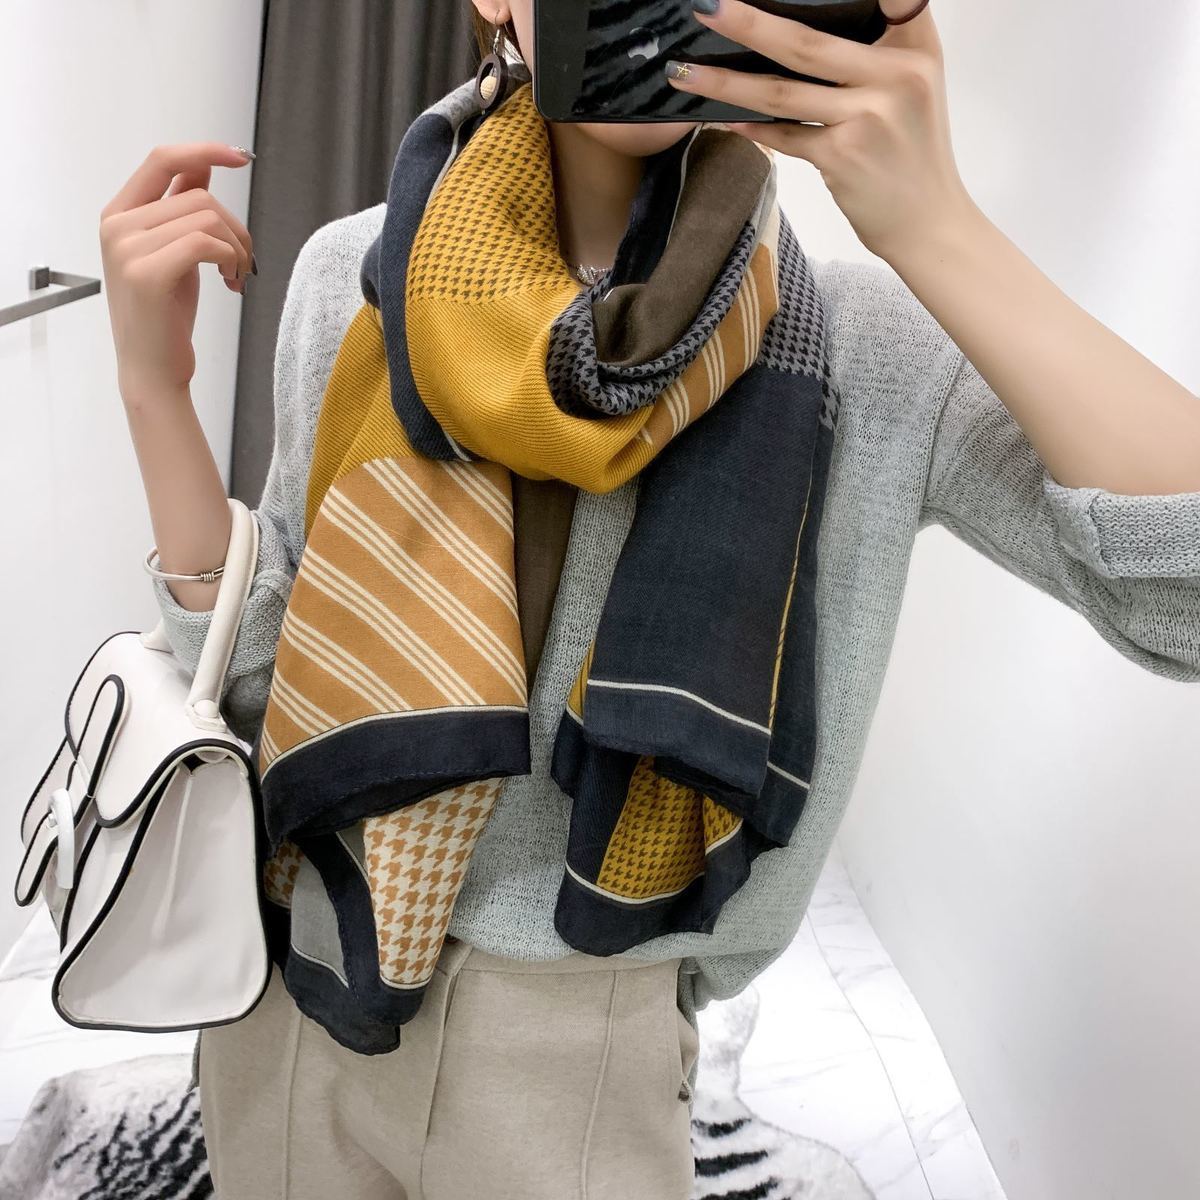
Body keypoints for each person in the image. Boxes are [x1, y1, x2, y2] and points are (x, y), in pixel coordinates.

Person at [98, 1, 1200, 1197]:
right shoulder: (357, 275)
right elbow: (264, 683)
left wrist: (937, 226)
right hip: (296, 978)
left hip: (579, 1047)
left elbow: (1179, 599)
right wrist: (155, 393)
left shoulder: (860, 345)